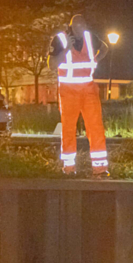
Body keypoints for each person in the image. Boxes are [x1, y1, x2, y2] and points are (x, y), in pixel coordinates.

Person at [48, 15, 109, 178]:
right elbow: (52, 65)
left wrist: (95, 60)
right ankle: (69, 168)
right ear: (71, 27)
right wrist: (67, 48)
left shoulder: (90, 37)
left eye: (83, 27)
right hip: (68, 91)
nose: (81, 30)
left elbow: (105, 48)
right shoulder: (60, 39)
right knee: (68, 128)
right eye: (77, 27)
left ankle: (100, 167)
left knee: (95, 127)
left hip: (88, 88)